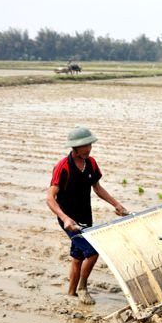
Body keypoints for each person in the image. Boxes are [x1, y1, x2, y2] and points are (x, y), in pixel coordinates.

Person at [46, 127, 127, 304]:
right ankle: (83, 288)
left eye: (90, 144)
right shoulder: (63, 167)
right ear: (75, 147)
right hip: (69, 219)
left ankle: (71, 294)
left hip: (85, 216)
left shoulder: (91, 163)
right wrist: (65, 218)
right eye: (85, 146)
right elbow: (50, 198)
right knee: (92, 252)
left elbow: (97, 188)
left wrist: (116, 204)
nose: (89, 149)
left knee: (78, 256)